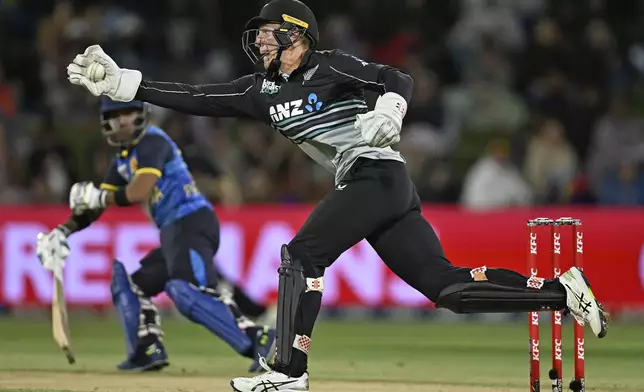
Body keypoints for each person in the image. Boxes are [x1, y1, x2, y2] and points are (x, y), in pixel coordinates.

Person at [65, 1, 608, 390]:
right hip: (371, 187)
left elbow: (396, 76)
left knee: (303, 255)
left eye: (269, 32)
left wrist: (391, 109)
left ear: (298, 35)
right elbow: (196, 95)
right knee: (447, 289)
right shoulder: (260, 91)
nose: (259, 40)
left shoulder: (329, 65)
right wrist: (124, 84)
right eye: (257, 34)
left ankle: (288, 372)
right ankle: (563, 293)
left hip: (379, 175)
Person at [35, 96, 276, 373]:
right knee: (129, 286)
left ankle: (260, 338)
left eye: (129, 112)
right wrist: (62, 231)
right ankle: (146, 349)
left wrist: (99, 196)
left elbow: (138, 191)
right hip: (174, 231)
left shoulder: (153, 141)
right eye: (117, 115)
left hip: (191, 221)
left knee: (187, 292)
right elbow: (97, 206)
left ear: (142, 114)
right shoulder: (124, 160)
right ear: (106, 122)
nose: (124, 119)